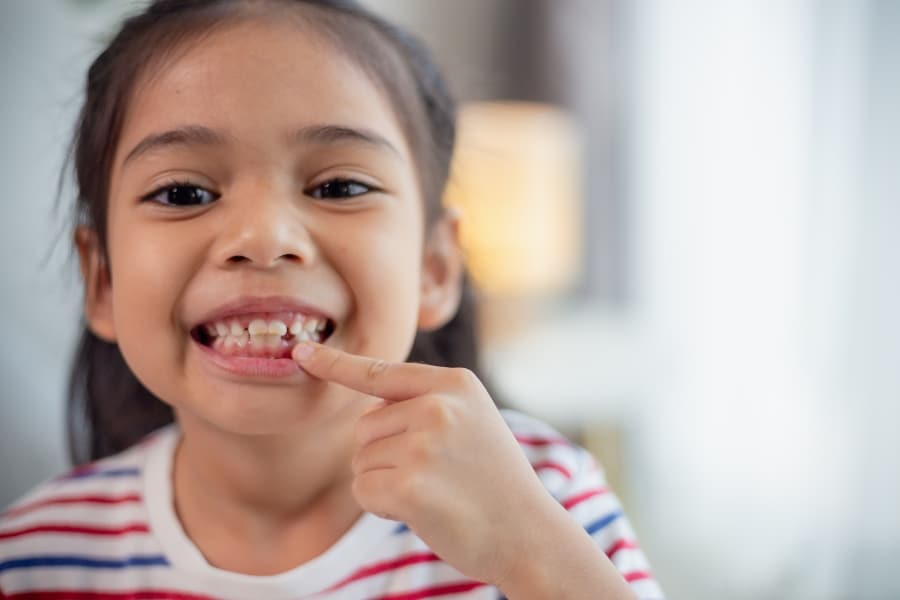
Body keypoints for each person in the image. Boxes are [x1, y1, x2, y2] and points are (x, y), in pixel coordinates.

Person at [0, 1, 665, 598]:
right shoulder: (34, 561)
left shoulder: (545, 500)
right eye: (184, 193)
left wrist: (531, 554)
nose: (263, 239)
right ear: (103, 279)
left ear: (434, 267)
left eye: (340, 186)